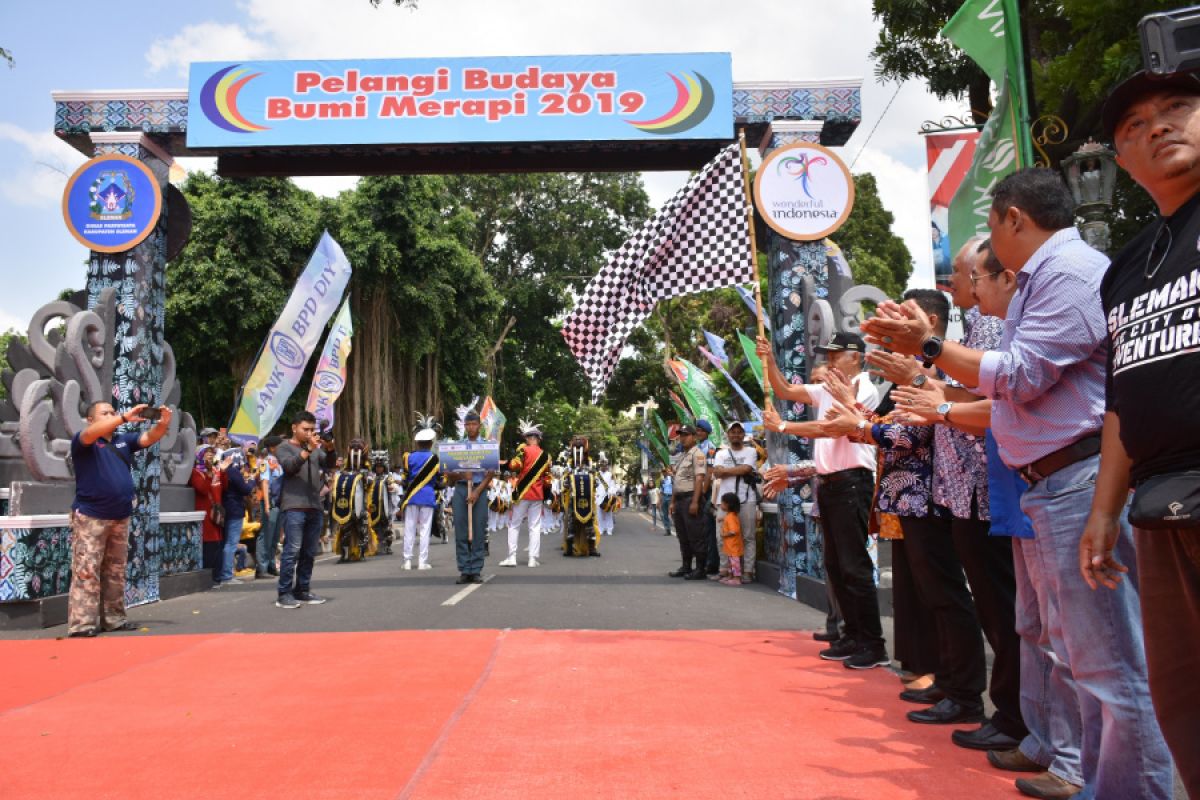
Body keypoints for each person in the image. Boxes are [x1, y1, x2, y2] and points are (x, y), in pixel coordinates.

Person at [862, 167, 1172, 800]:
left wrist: (928, 348)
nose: (972, 278)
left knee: (1108, 663)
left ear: (1012, 220)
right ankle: (1090, 773)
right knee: (1079, 655)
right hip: (1053, 482)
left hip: (1078, 477)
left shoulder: (1068, 274)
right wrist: (929, 359)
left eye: (977, 263)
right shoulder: (1047, 278)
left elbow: (1021, 376)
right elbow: (1006, 389)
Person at [1084, 70, 1200, 798]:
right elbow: (1123, 396)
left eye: (1178, 108)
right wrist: (1103, 510)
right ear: (1121, 160)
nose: (1157, 126)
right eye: (1134, 125)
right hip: (1161, 509)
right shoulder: (1126, 266)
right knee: (1183, 708)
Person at [759, 331, 887, 671]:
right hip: (829, 485)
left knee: (854, 565)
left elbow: (832, 429)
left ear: (856, 356)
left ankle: (873, 643)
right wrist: (770, 360)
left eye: (837, 354)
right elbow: (786, 390)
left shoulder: (865, 389)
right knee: (834, 565)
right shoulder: (829, 390)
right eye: (828, 355)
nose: (830, 361)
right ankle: (851, 635)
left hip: (852, 484)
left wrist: (784, 426)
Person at [66, 401, 171, 637]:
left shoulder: (122, 441)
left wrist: (163, 423)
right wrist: (123, 418)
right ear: (91, 420)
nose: (111, 415)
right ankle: (83, 624)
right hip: (91, 516)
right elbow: (90, 434)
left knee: (115, 571)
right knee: (87, 570)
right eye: (105, 413)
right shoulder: (85, 441)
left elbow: (149, 438)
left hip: (120, 516)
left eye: (112, 412)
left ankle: (113, 619)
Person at [275, 410, 336, 609]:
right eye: (305, 429)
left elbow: (329, 465)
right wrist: (308, 450)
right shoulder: (284, 447)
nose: (310, 433)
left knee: (309, 552)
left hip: (314, 505)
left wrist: (330, 448)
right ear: (294, 428)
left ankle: (302, 590)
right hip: (293, 505)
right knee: (292, 550)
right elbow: (290, 467)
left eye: (312, 429)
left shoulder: (314, 448)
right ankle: (284, 593)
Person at [448, 411, 494, 583]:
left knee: (478, 530)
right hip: (460, 489)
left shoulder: (487, 446)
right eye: (468, 424)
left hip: (479, 490)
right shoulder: (457, 447)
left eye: (474, 424)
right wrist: (460, 475)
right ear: (465, 426)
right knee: (460, 529)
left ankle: (475, 569)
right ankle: (464, 569)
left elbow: (490, 473)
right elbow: (449, 474)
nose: (471, 427)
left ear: (479, 426)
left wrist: (476, 491)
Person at [711, 421, 761, 583]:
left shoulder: (751, 451)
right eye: (733, 432)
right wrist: (735, 470)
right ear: (728, 434)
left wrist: (725, 471)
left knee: (748, 536)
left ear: (743, 434)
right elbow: (716, 473)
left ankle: (747, 571)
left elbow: (746, 469)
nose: (736, 435)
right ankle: (725, 570)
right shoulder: (721, 454)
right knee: (721, 536)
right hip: (724, 502)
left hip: (747, 499)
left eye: (739, 432)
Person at [503, 420, 552, 568]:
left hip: (523, 493)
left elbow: (514, 466)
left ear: (530, 438)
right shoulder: (546, 456)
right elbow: (548, 479)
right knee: (535, 526)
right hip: (537, 495)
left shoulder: (523, 451)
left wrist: (509, 461)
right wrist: (547, 495)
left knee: (514, 525)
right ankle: (532, 559)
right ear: (537, 439)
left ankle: (512, 557)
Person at [399, 418, 444, 571]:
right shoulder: (435, 459)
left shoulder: (408, 457)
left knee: (409, 529)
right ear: (431, 443)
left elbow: (404, 480)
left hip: (412, 497)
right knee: (425, 530)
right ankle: (422, 562)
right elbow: (440, 482)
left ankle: (407, 561)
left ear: (417, 443)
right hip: (428, 496)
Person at [668, 425, 708, 580]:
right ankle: (686, 566)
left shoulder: (697, 454)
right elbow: (676, 482)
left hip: (691, 498)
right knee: (683, 536)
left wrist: (695, 502)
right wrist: (672, 502)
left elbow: (699, 479)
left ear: (694, 436)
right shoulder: (682, 456)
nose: (682, 438)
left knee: (696, 536)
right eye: (681, 435)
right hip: (679, 500)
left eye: (686, 435)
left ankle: (700, 569)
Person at [217, 444, 256, 587]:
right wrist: (251, 479)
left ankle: (226, 573)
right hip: (234, 510)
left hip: (228, 509)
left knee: (228, 543)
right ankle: (227, 575)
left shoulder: (225, 471)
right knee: (231, 544)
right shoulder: (233, 471)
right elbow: (246, 489)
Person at [190, 445, 227, 586]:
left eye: (212, 453)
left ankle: (218, 577)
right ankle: (208, 578)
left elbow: (224, 487)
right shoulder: (195, 473)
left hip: (216, 514)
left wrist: (222, 472)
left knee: (218, 545)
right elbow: (203, 489)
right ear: (199, 455)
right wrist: (206, 473)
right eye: (207, 453)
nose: (210, 455)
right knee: (209, 546)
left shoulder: (215, 471)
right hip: (205, 515)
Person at [562, 435, 601, 557]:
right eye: (576, 447)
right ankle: (569, 548)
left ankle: (592, 548)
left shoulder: (589, 463)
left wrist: (593, 479)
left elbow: (596, 481)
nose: (578, 451)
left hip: (588, 499)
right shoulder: (569, 465)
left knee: (590, 522)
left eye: (580, 447)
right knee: (571, 522)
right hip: (573, 498)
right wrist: (568, 480)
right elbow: (564, 482)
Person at [256, 435, 284, 578]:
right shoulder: (264, 463)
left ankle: (271, 565)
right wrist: (267, 504)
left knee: (274, 537)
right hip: (270, 502)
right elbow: (265, 483)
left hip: (279, 502)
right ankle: (261, 568)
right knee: (266, 534)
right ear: (273, 448)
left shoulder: (279, 462)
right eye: (280, 445)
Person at [694, 419, 719, 574]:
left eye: (701, 430)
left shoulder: (710, 448)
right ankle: (702, 562)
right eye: (697, 430)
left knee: (709, 529)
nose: (699, 433)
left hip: (707, 491)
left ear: (707, 432)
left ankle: (712, 563)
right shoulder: (697, 448)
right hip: (699, 490)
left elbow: (709, 471)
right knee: (700, 530)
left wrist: (703, 492)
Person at [366, 451, 399, 556]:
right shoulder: (371, 477)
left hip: (385, 506)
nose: (378, 468)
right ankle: (374, 546)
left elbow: (394, 487)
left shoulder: (388, 477)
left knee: (386, 527)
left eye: (380, 466)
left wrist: (392, 487)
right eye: (377, 466)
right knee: (374, 527)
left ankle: (387, 546)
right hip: (373, 507)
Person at [718, 492, 745, 586]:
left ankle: (737, 578)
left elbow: (734, 531)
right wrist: (722, 519)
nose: (720, 505)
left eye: (722, 503)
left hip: (733, 546)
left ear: (727, 505)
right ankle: (731, 576)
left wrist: (724, 534)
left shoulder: (731, 517)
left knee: (735, 563)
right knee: (731, 562)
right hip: (731, 546)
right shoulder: (730, 515)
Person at [595, 453, 617, 537]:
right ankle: (601, 529)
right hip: (599, 496)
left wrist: (611, 493)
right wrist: (596, 493)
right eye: (602, 465)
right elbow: (595, 485)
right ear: (600, 465)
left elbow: (612, 485)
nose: (603, 467)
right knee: (599, 514)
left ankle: (609, 529)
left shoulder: (610, 474)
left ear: (607, 466)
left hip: (607, 496)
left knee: (608, 513)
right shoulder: (597, 474)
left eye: (605, 465)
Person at [660, 471, 673, 537]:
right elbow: (661, 490)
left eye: (665, 472)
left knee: (672, 513)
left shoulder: (672, 479)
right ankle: (667, 529)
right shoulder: (662, 481)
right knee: (664, 514)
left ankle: (678, 529)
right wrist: (660, 500)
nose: (664, 473)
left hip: (671, 497)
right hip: (664, 497)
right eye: (663, 472)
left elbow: (675, 489)